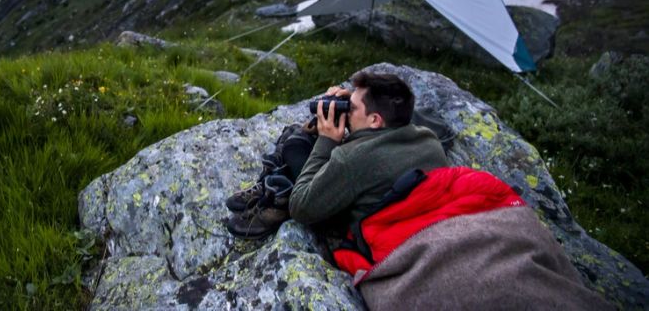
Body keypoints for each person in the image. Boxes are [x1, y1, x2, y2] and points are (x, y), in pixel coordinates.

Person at [226, 71, 613, 310]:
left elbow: (304, 206)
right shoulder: (428, 137)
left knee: (296, 149)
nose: (346, 110)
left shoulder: (349, 160)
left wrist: (328, 140)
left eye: (354, 107)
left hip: (421, 236)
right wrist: (360, 98)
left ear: (375, 120)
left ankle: (271, 191)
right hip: (476, 210)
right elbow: (408, 113)